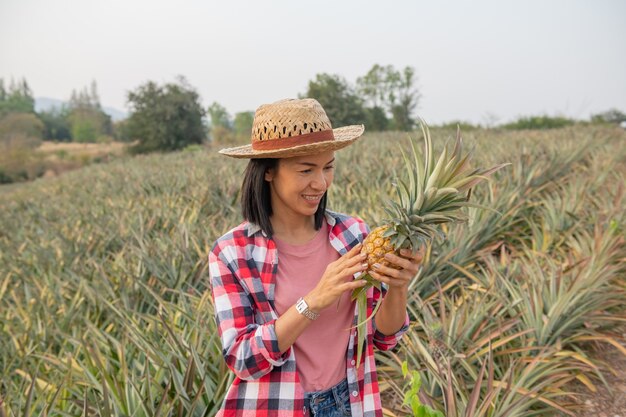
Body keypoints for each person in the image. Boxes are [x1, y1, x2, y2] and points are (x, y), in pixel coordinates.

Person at [209, 98, 423, 417]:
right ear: (268, 172)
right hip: (275, 408)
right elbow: (243, 359)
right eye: (306, 170)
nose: (320, 183)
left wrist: (399, 286)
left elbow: (383, 338)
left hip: (351, 403)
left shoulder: (354, 235)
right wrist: (313, 301)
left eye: (328, 167)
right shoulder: (233, 252)